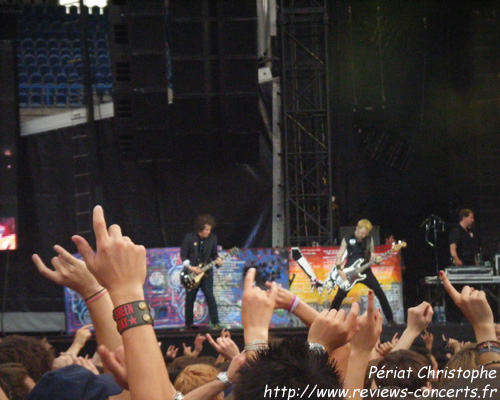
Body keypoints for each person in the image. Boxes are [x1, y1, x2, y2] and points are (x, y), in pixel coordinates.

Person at [329, 219, 395, 325]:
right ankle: (329, 319)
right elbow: (340, 255)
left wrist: (377, 259)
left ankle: (390, 319)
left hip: (365, 271)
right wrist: (339, 270)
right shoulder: (347, 239)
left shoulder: (369, 239)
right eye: (361, 232)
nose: (362, 235)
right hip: (350, 272)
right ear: (357, 228)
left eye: (365, 234)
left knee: (379, 291)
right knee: (339, 296)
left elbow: (372, 254)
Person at [181, 214, 223, 329]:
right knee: (190, 298)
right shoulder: (189, 237)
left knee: (210, 296)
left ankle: (215, 323)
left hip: (206, 273)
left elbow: (214, 254)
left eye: (210, 229)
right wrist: (191, 267)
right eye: (206, 229)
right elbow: (183, 255)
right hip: (192, 273)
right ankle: (189, 324)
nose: (208, 232)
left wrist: (218, 261)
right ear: (200, 229)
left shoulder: (213, 238)